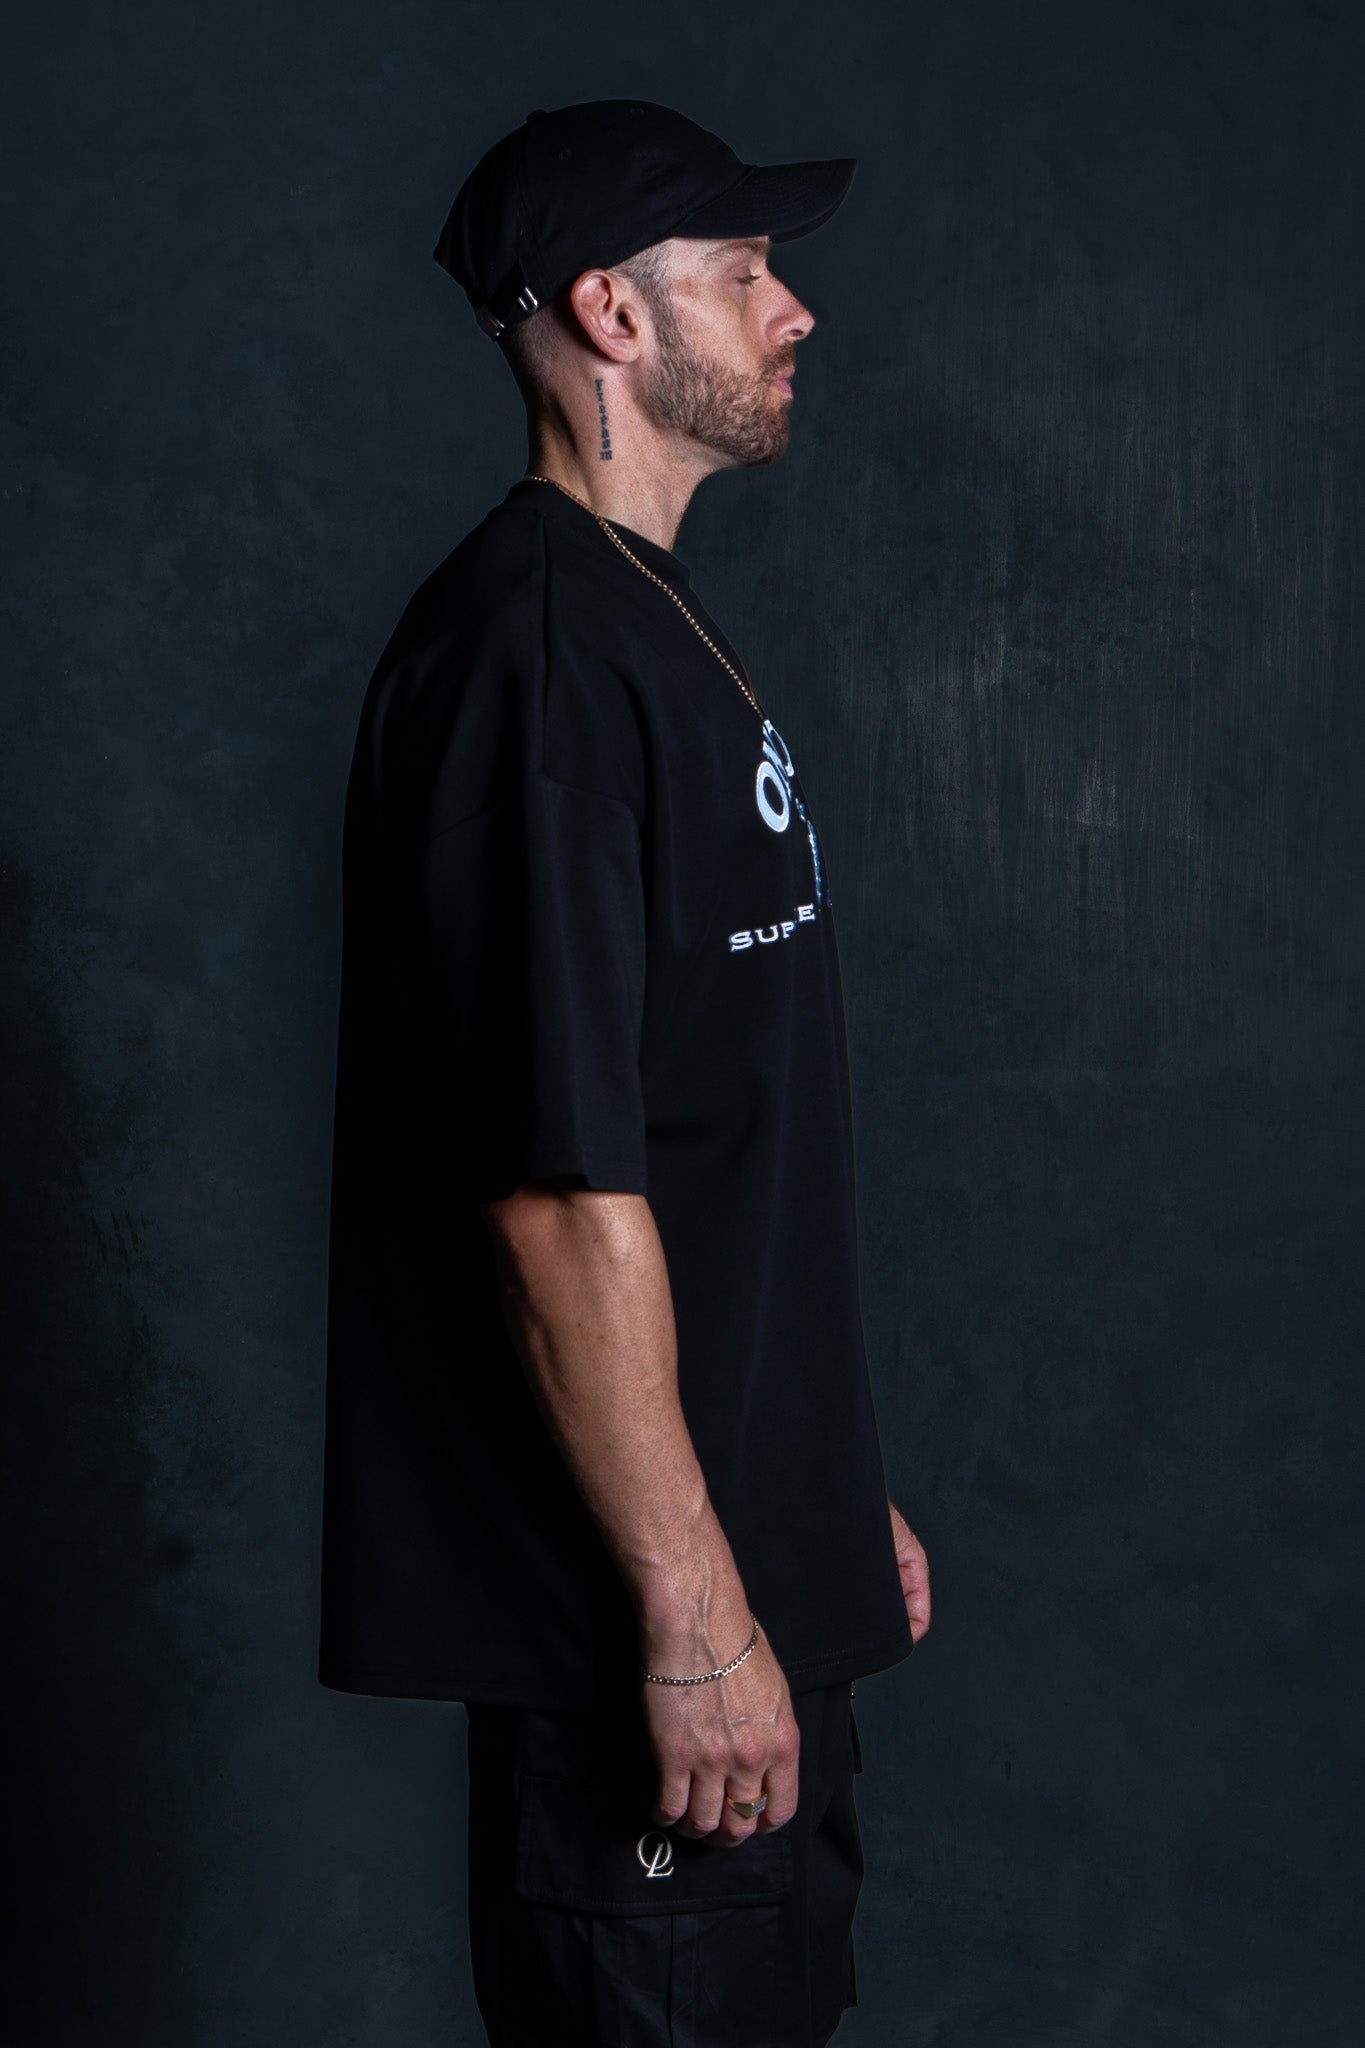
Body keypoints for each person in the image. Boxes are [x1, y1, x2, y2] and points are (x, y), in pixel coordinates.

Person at [317, 97, 931, 2047]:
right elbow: (555, 1193)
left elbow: (704, 1122)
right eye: (743, 274)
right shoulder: (534, 665)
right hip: (641, 1663)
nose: (792, 312)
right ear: (611, 312)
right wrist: (692, 1609)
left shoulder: (638, 627)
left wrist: (812, 1504)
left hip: (750, 1596)